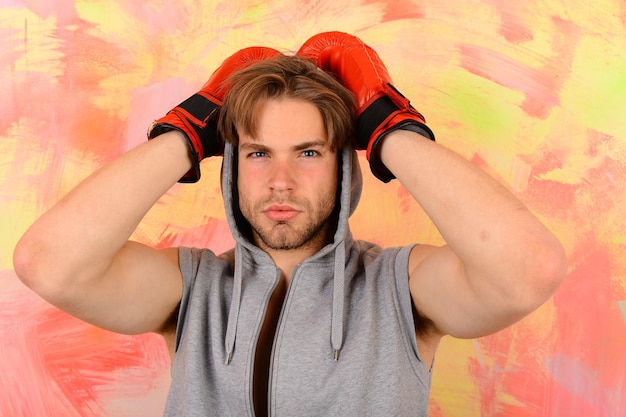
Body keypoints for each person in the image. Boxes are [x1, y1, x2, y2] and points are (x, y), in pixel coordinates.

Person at [13, 32, 567, 416]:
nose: (280, 180)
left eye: (308, 153)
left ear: (346, 161)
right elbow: (48, 263)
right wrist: (189, 127)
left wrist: (387, 123)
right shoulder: (191, 290)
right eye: (256, 153)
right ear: (228, 163)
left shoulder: (401, 287)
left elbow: (528, 269)